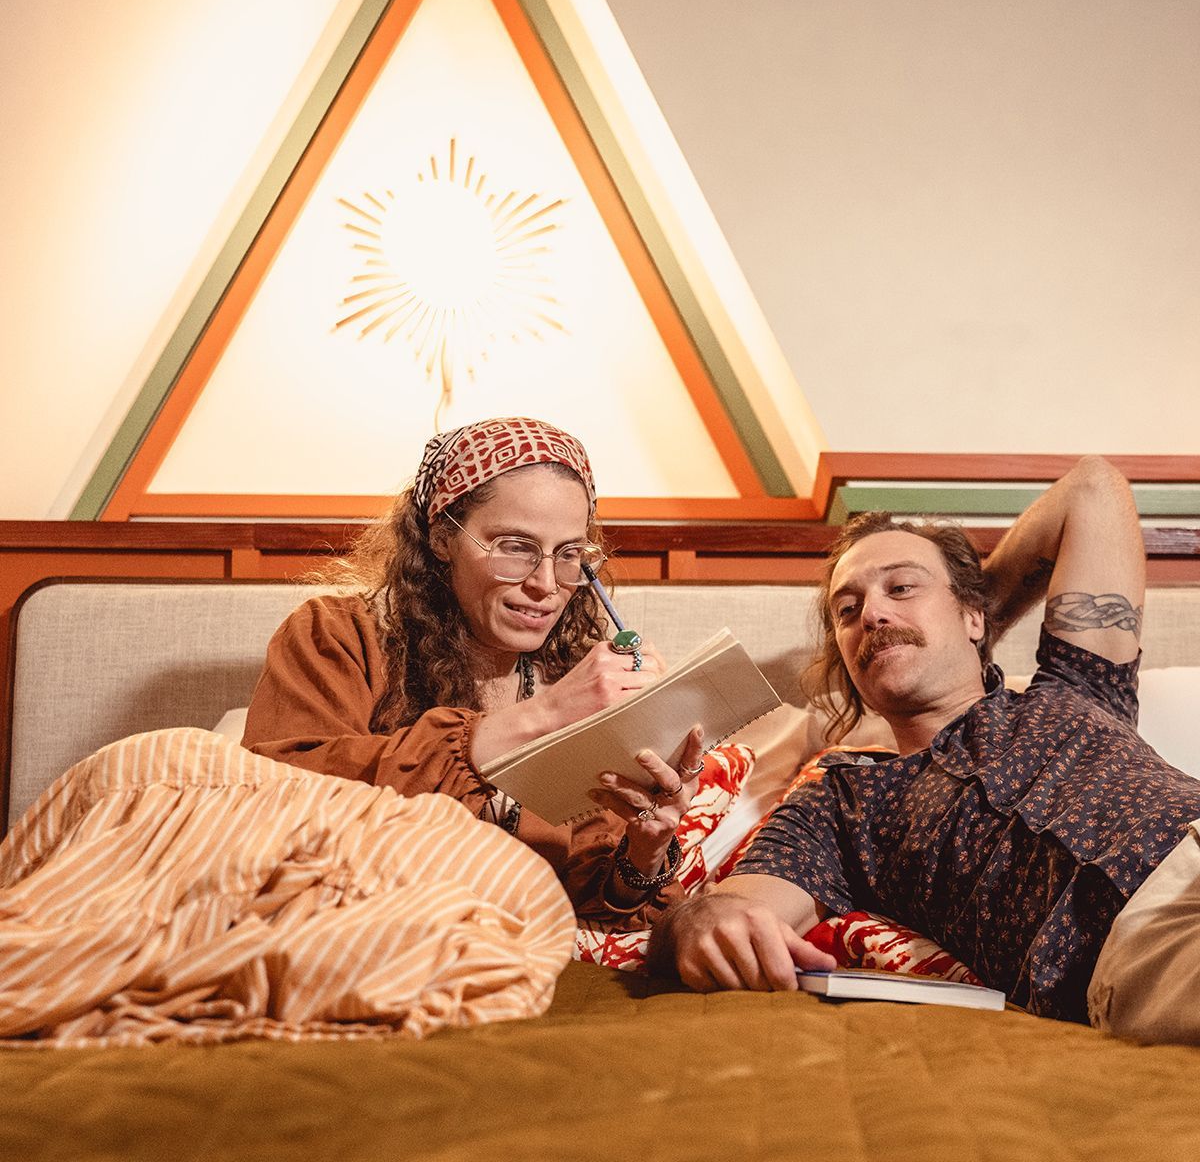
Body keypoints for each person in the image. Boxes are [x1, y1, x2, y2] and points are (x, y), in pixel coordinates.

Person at [651, 455, 1200, 1045]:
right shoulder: (840, 804)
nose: (873, 614)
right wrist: (699, 920)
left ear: (971, 612)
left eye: (902, 587)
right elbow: (738, 909)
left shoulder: (1079, 685)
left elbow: (1092, 486)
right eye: (848, 610)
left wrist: (974, 623)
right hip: (1140, 940)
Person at [243, 416, 704, 923]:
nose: (547, 584)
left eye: (569, 555)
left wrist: (645, 847)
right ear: (442, 538)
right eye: (515, 547)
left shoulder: (565, 671)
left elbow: (590, 892)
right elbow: (275, 798)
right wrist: (542, 715)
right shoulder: (337, 635)